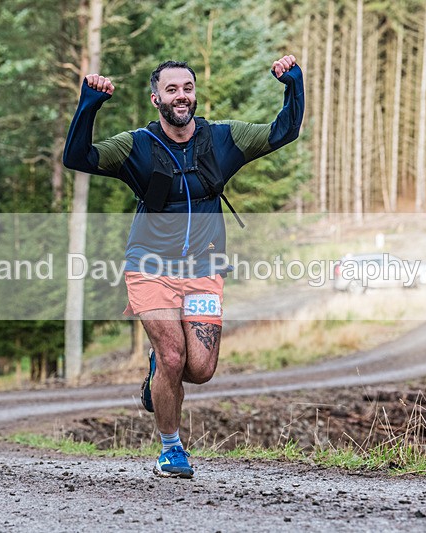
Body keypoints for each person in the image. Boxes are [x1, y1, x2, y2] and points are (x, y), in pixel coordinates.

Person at [62, 56, 304, 478]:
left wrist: (293, 85)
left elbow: (283, 132)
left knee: (201, 370)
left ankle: (159, 369)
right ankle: (171, 450)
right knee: (173, 356)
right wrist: (89, 105)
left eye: (187, 88)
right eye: (172, 89)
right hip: (150, 268)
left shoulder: (224, 139)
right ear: (156, 97)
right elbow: (77, 157)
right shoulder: (136, 145)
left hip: (204, 270)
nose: (181, 96)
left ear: (195, 94)